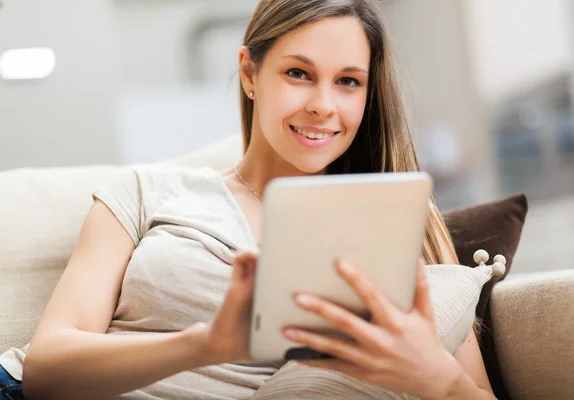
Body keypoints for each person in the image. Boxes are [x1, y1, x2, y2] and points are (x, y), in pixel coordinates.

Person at [0, 0, 496, 399]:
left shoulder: (399, 224)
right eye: (299, 73)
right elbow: (45, 369)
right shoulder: (146, 191)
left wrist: (438, 381)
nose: (323, 104)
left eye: (348, 81)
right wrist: (205, 345)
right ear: (250, 74)